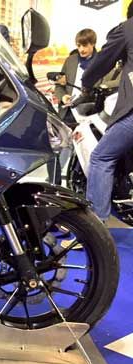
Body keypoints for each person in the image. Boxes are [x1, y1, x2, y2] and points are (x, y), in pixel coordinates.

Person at [79, 2, 133, 222]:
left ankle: (95, 227)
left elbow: (101, 63)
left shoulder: (128, 28)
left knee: (101, 157)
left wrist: (86, 83)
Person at [55, 29, 121, 125]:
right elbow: (59, 85)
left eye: (85, 45)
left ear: (93, 43)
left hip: (91, 113)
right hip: (68, 113)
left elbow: (112, 85)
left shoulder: (103, 61)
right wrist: (63, 96)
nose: (81, 49)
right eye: (78, 46)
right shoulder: (70, 61)